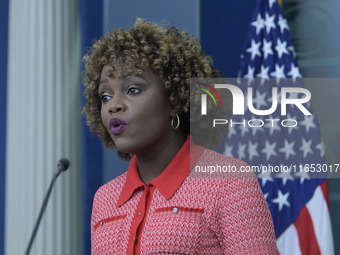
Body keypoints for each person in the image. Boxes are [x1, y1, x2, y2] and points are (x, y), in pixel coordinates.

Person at [82, 19, 278, 254]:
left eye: (133, 90)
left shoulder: (230, 183)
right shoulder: (104, 199)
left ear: (174, 99)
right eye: (105, 96)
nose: (113, 105)